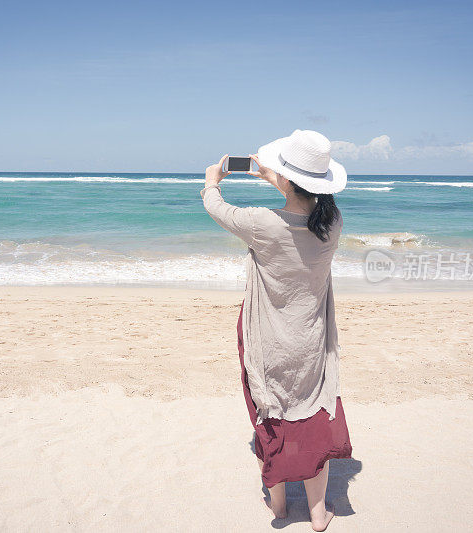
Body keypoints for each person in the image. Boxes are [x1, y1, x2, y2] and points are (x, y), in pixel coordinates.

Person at [200, 130, 353, 531]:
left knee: (271, 419)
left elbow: (216, 207)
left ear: (287, 178)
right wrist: (276, 177)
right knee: (312, 421)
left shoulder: (261, 222)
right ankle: (319, 514)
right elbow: (305, 204)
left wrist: (211, 180)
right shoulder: (332, 223)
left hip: (269, 339)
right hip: (311, 339)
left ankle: (280, 506)